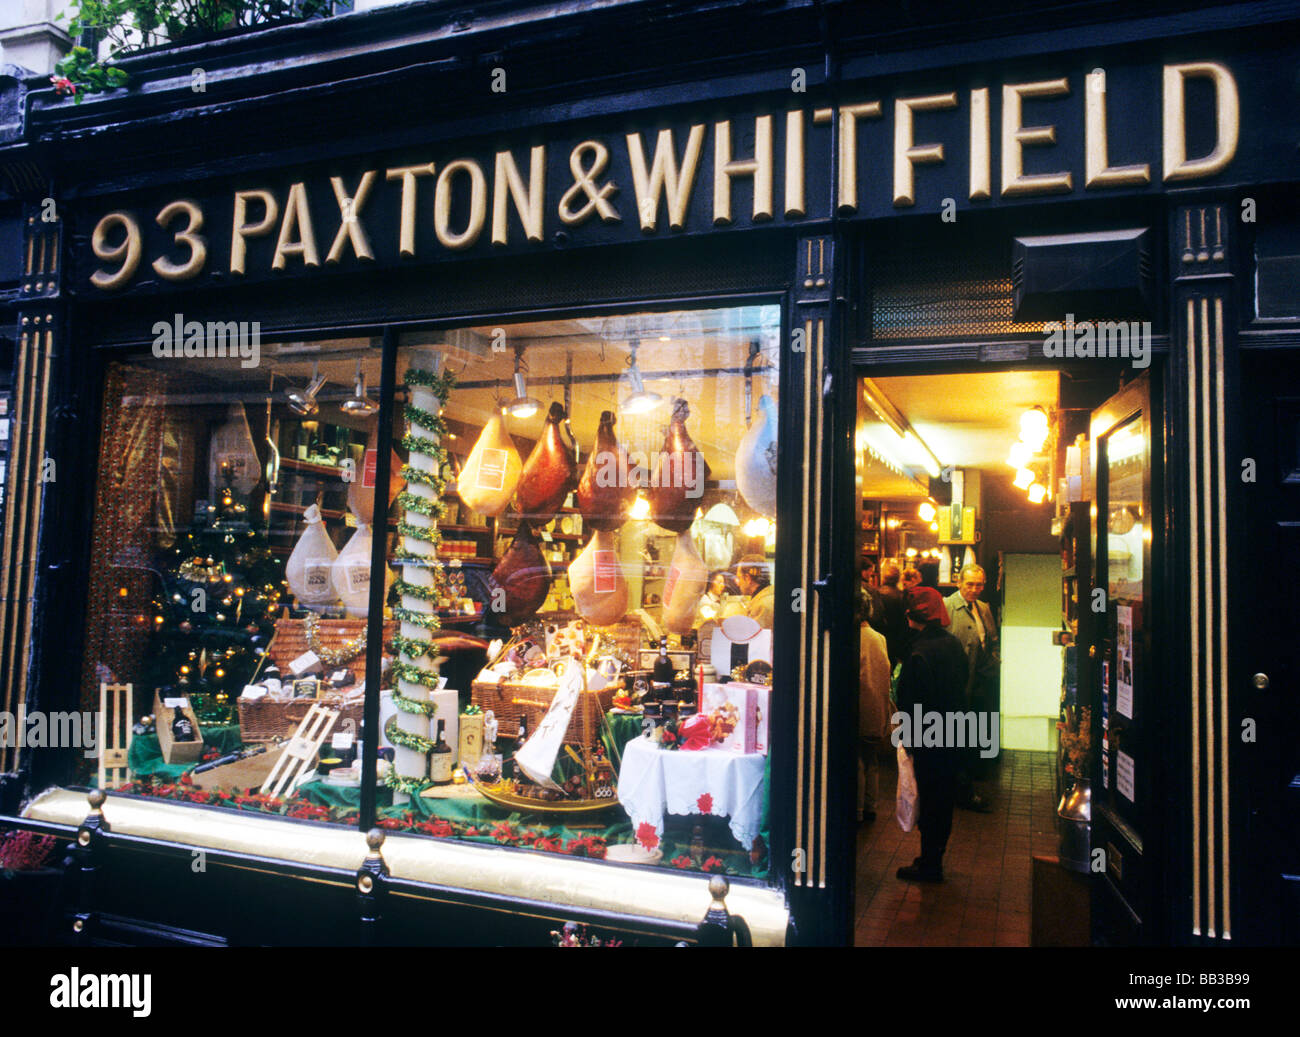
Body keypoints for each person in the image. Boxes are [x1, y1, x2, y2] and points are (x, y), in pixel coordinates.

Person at [894, 586, 969, 882]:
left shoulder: (918, 651)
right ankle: (933, 857)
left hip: (928, 737)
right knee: (943, 800)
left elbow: (911, 703)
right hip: (953, 731)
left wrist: (908, 742)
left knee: (929, 799)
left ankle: (930, 865)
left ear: (912, 615)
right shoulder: (951, 644)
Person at [944, 564, 999, 812]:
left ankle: (965, 786)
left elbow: (991, 641)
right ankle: (959, 790)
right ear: (959, 582)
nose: (975, 589)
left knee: (970, 738)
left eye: (979, 584)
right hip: (954, 685)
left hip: (978, 685)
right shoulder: (946, 607)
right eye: (970, 584)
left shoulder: (984, 608)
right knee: (954, 739)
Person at [858, 598, 892, 824]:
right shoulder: (879, 637)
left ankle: (858, 810)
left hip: (859, 709)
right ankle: (870, 805)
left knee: (857, 761)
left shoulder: (854, 639)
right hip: (877, 708)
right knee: (871, 761)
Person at [876, 560, 908, 668]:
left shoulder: (877, 593)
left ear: (884, 577)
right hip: (896, 639)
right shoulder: (902, 596)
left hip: (880, 637)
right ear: (898, 579)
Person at [736, 556, 774, 628]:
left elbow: (753, 637)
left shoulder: (762, 606)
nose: (738, 584)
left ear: (747, 578)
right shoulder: (768, 598)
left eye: (739, 578)